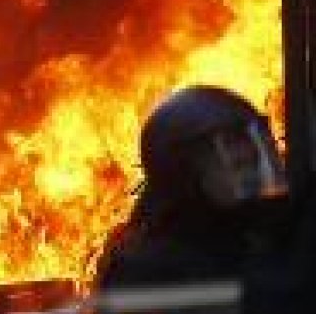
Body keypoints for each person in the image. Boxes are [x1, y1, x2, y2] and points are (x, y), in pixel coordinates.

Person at [96, 85, 289, 289]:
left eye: (257, 152)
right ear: (183, 172)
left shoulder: (274, 238)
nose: (255, 169)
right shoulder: (151, 271)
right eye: (236, 163)